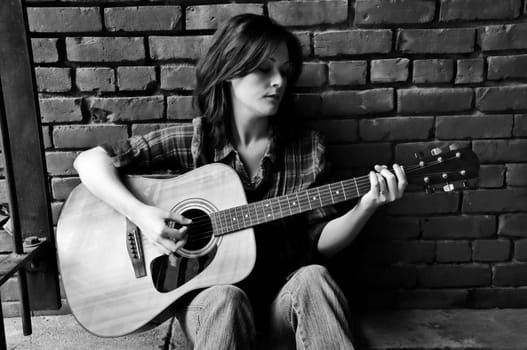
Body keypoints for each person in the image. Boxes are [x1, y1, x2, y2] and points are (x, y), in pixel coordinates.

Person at [73, 14, 407, 350]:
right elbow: (89, 162)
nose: (278, 81)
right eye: (264, 68)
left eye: (285, 71)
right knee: (225, 297)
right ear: (229, 71)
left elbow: (321, 241)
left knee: (315, 277)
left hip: (281, 303)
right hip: (212, 308)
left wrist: (366, 206)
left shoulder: (307, 148)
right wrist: (143, 215)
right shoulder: (194, 140)